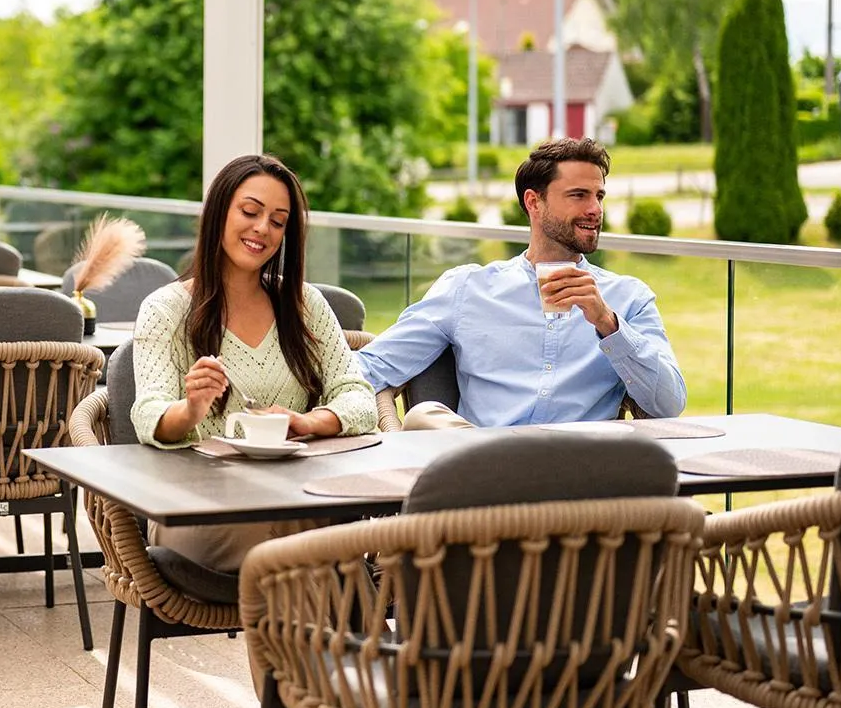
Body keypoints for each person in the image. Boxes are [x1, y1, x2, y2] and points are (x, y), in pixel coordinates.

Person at [130, 154, 377, 572]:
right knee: (316, 548)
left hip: (293, 498)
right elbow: (147, 415)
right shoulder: (165, 309)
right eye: (250, 211)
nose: (263, 228)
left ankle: (327, 632)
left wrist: (309, 422)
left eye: (278, 221)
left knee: (326, 535)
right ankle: (350, 630)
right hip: (198, 508)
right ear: (218, 213)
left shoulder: (303, 305)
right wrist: (191, 408)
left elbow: (358, 397)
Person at [357, 137, 686, 428]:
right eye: (578, 195)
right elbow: (375, 365)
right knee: (425, 417)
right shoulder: (467, 288)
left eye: (599, 196)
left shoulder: (629, 298)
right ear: (533, 202)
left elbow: (669, 404)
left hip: (584, 469)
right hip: (486, 466)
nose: (595, 209)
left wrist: (608, 323)